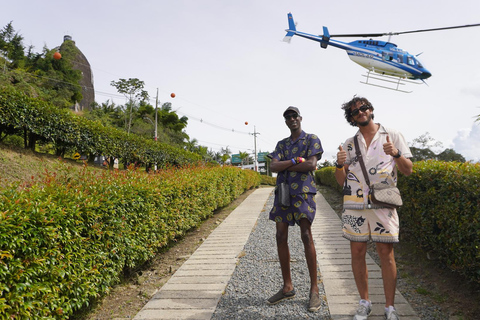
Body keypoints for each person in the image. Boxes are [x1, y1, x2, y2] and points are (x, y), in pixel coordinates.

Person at [335, 96, 413, 320]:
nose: (360, 112)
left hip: (383, 203)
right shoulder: (349, 143)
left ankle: (390, 307)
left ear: (371, 109)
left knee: (385, 253)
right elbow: (341, 181)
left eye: (363, 108)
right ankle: (364, 302)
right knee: (357, 253)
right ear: (351, 118)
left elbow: (407, 170)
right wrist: (340, 164)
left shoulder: (393, 135)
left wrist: (395, 153)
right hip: (354, 205)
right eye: (355, 111)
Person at [266, 106, 324, 312]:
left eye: (294, 116)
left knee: (306, 235)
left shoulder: (311, 139)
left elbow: (310, 165)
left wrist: (285, 165)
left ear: (300, 118)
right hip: (283, 192)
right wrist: (293, 161)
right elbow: (273, 167)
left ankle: (314, 290)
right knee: (280, 236)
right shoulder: (281, 144)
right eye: (287, 117)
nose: (291, 119)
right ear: (285, 121)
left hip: (303, 192)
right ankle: (287, 287)